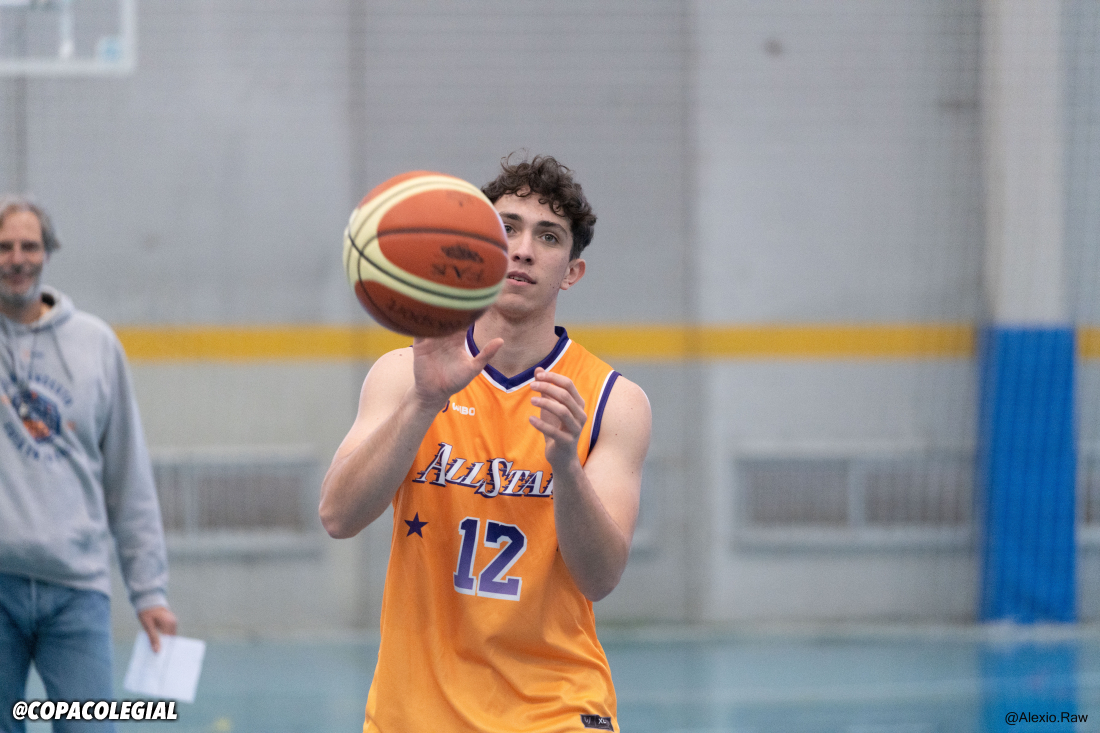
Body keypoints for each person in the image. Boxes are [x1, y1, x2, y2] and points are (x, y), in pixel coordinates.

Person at [320, 155, 652, 732]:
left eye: (548, 236)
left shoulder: (612, 401)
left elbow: (599, 578)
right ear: (477, 247)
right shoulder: (405, 375)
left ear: (571, 272)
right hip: (413, 715)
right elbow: (337, 517)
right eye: (507, 228)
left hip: (554, 712)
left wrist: (565, 467)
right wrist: (423, 404)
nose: (523, 249)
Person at [0, 196, 176, 733]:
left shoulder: (96, 345)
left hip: (77, 593)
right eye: (4, 247)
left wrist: (149, 591)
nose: (16, 259)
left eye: (29, 246)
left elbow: (128, 478)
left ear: (48, 253)